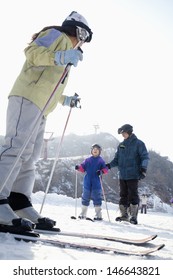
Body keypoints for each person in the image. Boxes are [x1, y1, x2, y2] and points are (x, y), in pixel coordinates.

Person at [0, 11, 93, 232]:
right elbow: (31, 52)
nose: (83, 43)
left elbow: (49, 85)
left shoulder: (68, 52)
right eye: (84, 37)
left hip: (41, 107)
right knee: (16, 148)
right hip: (26, 97)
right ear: (77, 30)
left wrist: (65, 99)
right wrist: (58, 57)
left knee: (30, 157)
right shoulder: (55, 35)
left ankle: (19, 201)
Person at [106, 124, 149, 224]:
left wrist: (143, 168)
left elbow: (145, 157)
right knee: (123, 195)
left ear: (129, 132)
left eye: (124, 133)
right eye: (121, 134)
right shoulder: (121, 145)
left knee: (133, 195)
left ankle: (133, 216)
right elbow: (116, 160)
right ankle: (124, 215)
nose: (122, 135)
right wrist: (108, 166)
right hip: (122, 175)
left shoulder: (139, 143)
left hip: (133, 174)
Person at [75, 144, 108, 220]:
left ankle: (98, 214)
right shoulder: (88, 160)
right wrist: (78, 167)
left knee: (97, 197)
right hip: (87, 180)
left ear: (99, 151)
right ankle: (83, 213)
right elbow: (83, 168)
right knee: (85, 197)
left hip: (96, 181)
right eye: (94, 149)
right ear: (91, 151)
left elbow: (105, 169)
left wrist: (101, 171)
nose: (95, 150)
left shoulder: (101, 160)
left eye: (97, 149)